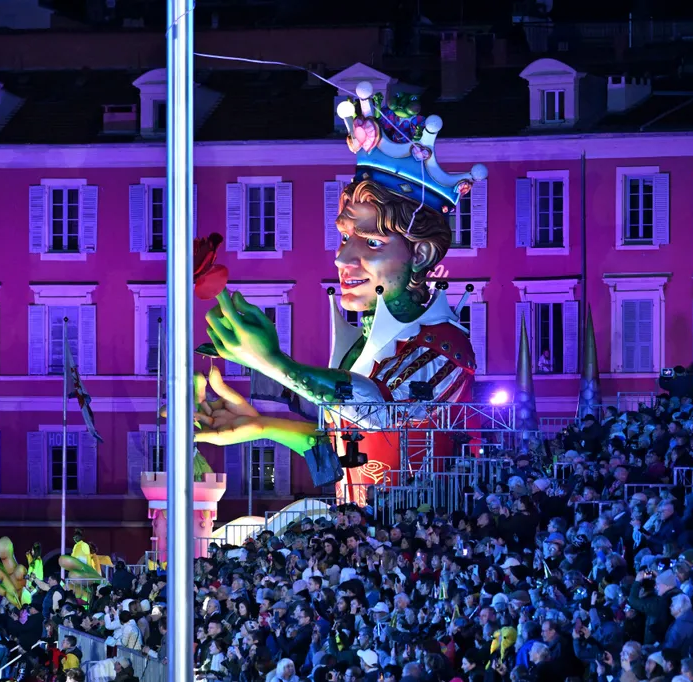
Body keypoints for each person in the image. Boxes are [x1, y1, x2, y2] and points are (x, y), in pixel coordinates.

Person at [191, 85, 486, 504]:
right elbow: (343, 449)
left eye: (370, 243)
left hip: (414, 537)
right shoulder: (358, 348)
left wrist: (274, 364)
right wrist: (262, 427)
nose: (341, 257)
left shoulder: (445, 347)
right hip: (358, 530)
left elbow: (376, 409)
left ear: (419, 253)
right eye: (346, 236)